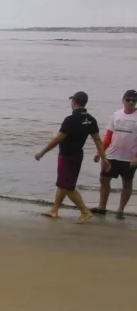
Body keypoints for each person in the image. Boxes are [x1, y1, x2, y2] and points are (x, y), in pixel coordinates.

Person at [35, 91, 110, 224]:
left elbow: (58, 139)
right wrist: (104, 158)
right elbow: (98, 140)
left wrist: (42, 152)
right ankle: (54, 209)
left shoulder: (70, 120)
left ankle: (85, 211)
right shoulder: (91, 119)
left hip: (66, 157)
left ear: (74, 102)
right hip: (77, 156)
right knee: (62, 184)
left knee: (67, 186)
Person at [90, 89, 137, 220]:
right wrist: (100, 152)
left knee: (127, 183)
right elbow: (108, 137)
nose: (131, 102)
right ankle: (102, 207)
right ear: (123, 100)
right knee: (103, 179)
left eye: (134, 100)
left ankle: (120, 210)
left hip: (129, 158)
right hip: (111, 155)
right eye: (128, 100)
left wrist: (136, 157)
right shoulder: (116, 114)